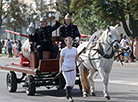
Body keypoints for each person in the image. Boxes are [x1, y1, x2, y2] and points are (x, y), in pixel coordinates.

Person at [59, 37, 81, 102]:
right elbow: (61, 60)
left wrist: (80, 61)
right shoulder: (64, 50)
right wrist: (60, 68)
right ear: (66, 42)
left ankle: (67, 93)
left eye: (71, 41)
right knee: (68, 82)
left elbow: (76, 58)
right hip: (65, 68)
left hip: (73, 68)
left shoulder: (75, 49)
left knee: (72, 84)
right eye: (69, 41)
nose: (70, 42)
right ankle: (70, 97)